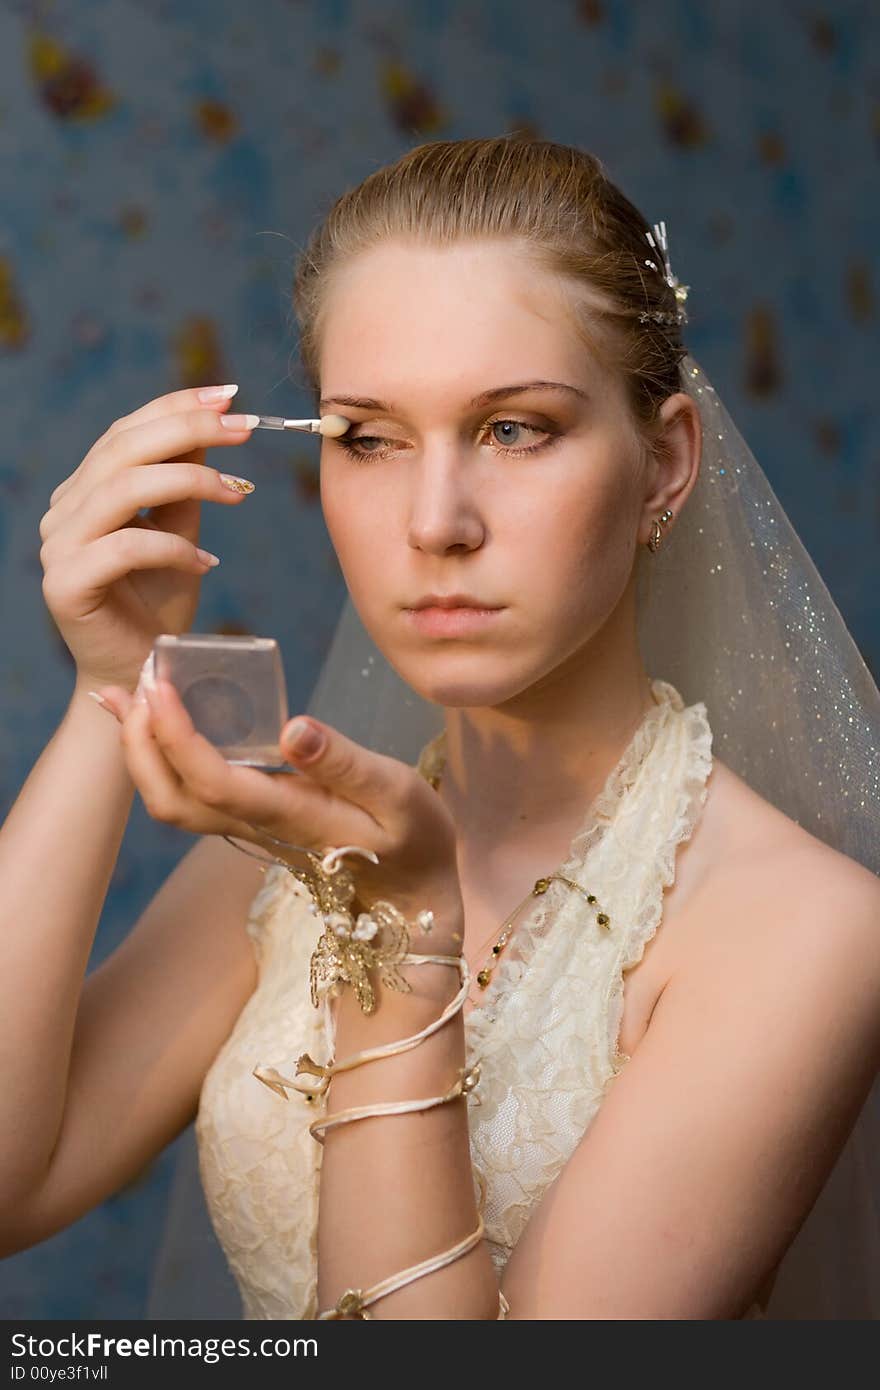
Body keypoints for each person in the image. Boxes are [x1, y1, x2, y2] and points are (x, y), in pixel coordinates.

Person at [1, 136, 878, 1320]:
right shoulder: (283, 853)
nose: (434, 521)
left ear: (664, 461)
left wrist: (403, 946)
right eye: (367, 436)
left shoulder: (802, 929)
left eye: (515, 428)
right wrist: (108, 690)